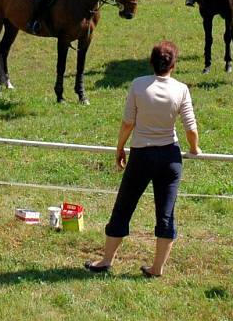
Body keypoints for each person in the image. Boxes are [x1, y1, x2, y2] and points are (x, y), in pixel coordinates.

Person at [84, 41, 201, 278]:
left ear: (151, 61)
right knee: (166, 214)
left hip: (141, 156)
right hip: (170, 157)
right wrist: (194, 148)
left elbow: (128, 122)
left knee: (124, 207)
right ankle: (157, 268)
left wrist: (119, 149)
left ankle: (106, 260)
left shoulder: (138, 85)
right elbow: (190, 128)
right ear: (174, 65)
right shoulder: (181, 89)